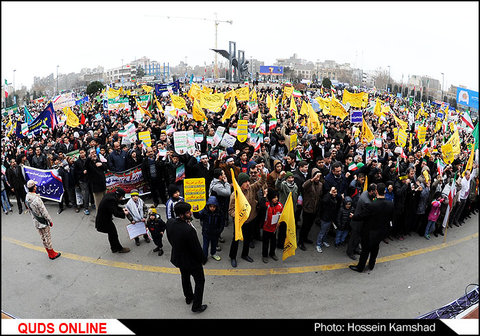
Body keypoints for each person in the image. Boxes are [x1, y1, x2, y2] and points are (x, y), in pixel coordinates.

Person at [166, 201, 207, 313]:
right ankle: (197, 306)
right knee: (200, 281)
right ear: (181, 215)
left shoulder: (170, 222)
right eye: (188, 212)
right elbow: (196, 249)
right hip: (192, 262)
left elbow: (169, 238)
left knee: (185, 277)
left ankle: (189, 297)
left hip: (179, 258)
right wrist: (203, 259)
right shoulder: (189, 230)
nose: (191, 213)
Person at [349, 183, 394, 272]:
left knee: (365, 250)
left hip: (369, 232)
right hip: (381, 232)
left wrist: (353, 216)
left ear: (376, 191)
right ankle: (371, 264)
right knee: (375, 248)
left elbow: (362, 216)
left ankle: (360, 267)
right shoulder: (390, 204)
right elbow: (391, 218)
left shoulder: (372, 205)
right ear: (384, 191)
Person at [228, 172, 266, 267]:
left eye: (248, 181)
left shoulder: (252, 189)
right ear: (240, 183)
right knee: (236, 239)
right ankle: (233, 257)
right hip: (240, 222)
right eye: (245, 182)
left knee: (248, 238)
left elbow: (261, 182)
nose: (248, 183)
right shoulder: (234, 195)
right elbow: (231, 210)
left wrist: (262, 173)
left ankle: (245, 254)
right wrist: (239, 216)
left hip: (251, 219)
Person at [25, 180, 61, 260]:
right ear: (33, 188)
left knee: (42, 237)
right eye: (35, 186)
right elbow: (44, 211)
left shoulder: (27, 197)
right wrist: (50, 220)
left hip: (35, 221)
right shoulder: (37, 199)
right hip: (42, 221)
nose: (36, 187)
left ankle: (49, 252)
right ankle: (52, 254)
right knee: (47, 237)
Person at [346, 183, 377, 260]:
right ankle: (350, 252)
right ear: (371, 191)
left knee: (358, 238)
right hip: (358, 223)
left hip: (360, 222)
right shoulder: (367, 202)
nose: (376, 193)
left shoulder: (365, 192)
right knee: (353, 238)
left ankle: (356, 249)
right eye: (375, 191)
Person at [95, 188, 131, 254]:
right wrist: (124, 213)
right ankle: (119, 249)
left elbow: (114, 207)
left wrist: (122, 209)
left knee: (111, 233)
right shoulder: (111, 200)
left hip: (104, 218)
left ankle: (114, 248)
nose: (122, 199)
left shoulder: (111, 195)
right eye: (122, 197)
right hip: (104, 220)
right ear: (119, 196)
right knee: (113, 233)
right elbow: (115, 213)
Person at [298, 168, 323, 251]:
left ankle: (305, 238)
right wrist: (312, 179)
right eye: (316, 176)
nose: (317, 179)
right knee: (304, 225)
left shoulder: (320, 185)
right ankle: (300, 241)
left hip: (315, 209)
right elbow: (304, 186)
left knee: (309, 225)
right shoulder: (309, 183)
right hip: (307, 208)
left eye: (319, 177)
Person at [193, 196, 224, 261]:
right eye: (211, 206)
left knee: (214, 244)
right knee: (205, 246)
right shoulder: (204, 211)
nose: (212, 208)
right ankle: (204, 257)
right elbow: (197, 216)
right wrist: (195, 211)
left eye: (214, 207)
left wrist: (220, 230)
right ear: (208, 206)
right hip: (206, 232)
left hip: (215, 233)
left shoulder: (219, 212)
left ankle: (213, 253)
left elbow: (222, 222)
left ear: (216, 206)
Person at [262, 188, 283, 263]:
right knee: (265, 243)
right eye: (274, 197)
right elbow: (262, 205)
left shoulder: (280, 206)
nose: (276, 199)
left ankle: (272, 253)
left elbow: (281, 215)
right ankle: (264, 255)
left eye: (277, 197)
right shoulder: (267, 205)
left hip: (274, 228)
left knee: (273, 242)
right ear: (270, 198)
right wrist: (264, 196)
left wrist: (279, 223)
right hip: (266, 228)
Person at [316, 186, 339, 253]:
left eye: (336, 192)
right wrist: (330, 193)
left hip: (330, 218)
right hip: (325, 218)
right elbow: (324, 200)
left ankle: (324, 241)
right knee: (322, 232)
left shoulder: (334, 198)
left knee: (326, 231)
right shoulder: (327, 197)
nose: (335, 194)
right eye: (334, 192)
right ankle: (318, 244)